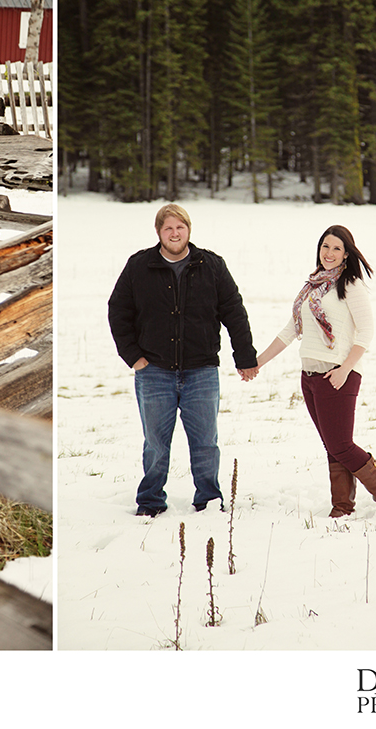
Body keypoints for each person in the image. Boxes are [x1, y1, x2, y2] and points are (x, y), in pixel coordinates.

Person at [108, 204, 259, 517]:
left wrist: (245, 356)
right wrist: (133, 357)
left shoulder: (212, 265)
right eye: (168, 228)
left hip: (201, 370)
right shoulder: (140, 265)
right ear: (159, 233)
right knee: (155, 444)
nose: (175, 233)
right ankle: (150, 502)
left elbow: (234, 311)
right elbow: (118, 311)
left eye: (180, 228)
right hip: (154, 372)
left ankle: (209, 499)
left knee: (205, 442)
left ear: (188, 230)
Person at [255, 225, 376, 518]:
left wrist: (344, 369)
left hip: (337, 375)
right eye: (325, 247)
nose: (329, 253)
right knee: (333, 445)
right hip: (310, 376)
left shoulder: (350, 285)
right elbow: (290, 331)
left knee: (342, 445)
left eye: (336, 248)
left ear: (346, 254)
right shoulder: (312, 287)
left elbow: (366, 332)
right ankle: (342, 506)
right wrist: (258, 362)